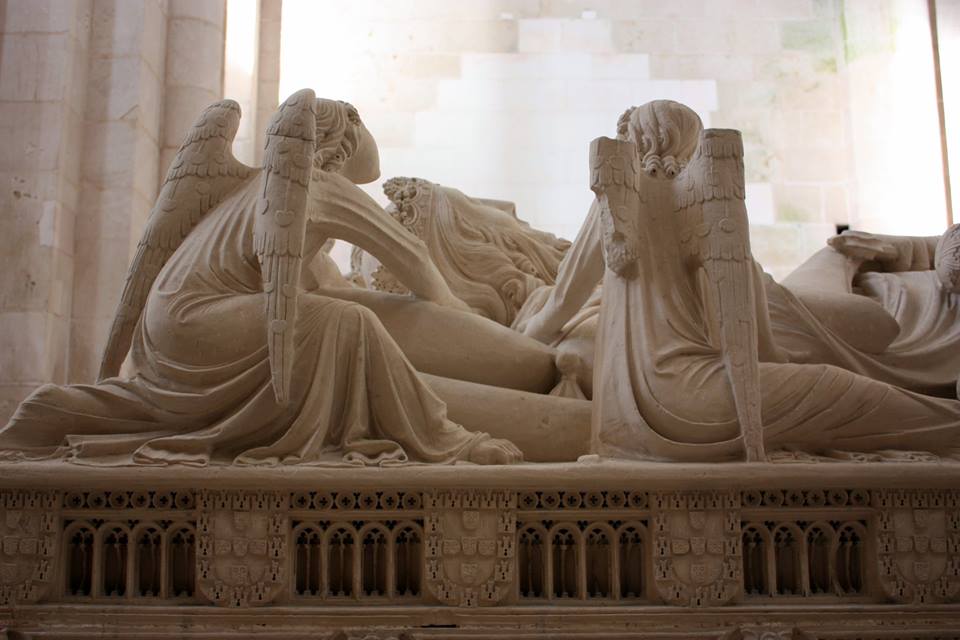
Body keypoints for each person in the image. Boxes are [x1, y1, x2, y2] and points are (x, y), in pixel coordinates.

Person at [0, 91, 521, 467]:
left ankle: (57, 410)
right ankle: (446, 439)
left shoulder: (249, 188)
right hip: (201, 321)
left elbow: (317, 284)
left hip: (165, 331)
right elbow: (414, 260)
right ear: (340, 150)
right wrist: (468, 317)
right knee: (349, 324)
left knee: (338, 314)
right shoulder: (315, 182)